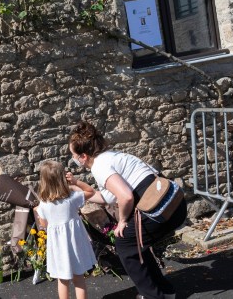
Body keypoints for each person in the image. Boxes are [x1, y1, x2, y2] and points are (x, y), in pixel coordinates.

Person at [66, 120, 187, 299]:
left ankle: (155, 296)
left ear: (83, 156)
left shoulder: (100, 166)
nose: (73, 159)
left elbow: (126, 196)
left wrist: (122, 222)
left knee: (125, 245)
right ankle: (165, 292)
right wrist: (77, 188)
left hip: (159, 210)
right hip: (174, 204)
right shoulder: (112, 156)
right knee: (137, 245)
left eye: (74, 155)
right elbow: (107, 197)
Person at [35, 160, 98, 299]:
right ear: (62, 178)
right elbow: (90, 191)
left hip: (58, 247)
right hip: (75, 244)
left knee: (62, 280)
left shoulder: (43, 204)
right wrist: (75, 182)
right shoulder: (72, 197)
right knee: (79, 279)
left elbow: (45, 225)